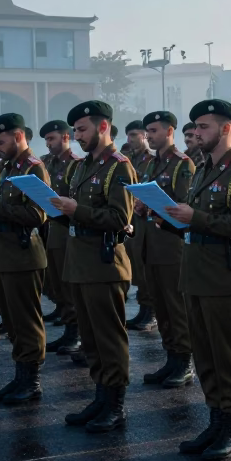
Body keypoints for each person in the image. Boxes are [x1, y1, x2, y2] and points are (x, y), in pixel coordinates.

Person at [169, 99, 231, 461]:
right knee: (205, 354)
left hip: (224, 274)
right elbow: (197, 218)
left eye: (204, 127)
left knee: (227, 355)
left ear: (225, 129)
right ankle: (215, 419)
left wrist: (195, 217)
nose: (196, 133)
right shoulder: (202, 168)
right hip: (196, 272)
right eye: (195, 128)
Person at [54, 100, 137, 433]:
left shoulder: (119, 166)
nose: (77, 136)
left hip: (104, 264)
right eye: (74, 130)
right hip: (81, 262)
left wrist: (77, 210)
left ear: (103, 127)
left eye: (82, 129)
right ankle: (100, 396)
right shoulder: (81, 166)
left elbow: (120, 218)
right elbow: (74, 210)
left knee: (108, 338)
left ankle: (115, 405)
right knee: (90, 338)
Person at [0, 113, 49, 403]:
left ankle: (31, 381)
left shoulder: (33, 168)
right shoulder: (8, 168)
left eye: (0, 141)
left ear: (18, 136)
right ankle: (20, 376)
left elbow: (37, 214)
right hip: (4, 253)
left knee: (26, 320)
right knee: (12, 320)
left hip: (23, 254)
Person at [138, 109, 195, 389]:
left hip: (172, 246)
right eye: (147, 131)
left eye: (154, 131)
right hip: (152, 244)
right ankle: (171, 357)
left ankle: (184, 362)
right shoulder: (151, 164)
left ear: (169, 131)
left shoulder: (182, 164)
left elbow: (184, 203)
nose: (149, 136)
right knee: (161, 306)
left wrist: (158, 208)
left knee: (176, 307)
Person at [39, 120, 83, 355]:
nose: (48, 144)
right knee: (56, 281)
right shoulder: (45, 162)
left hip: (68, 229)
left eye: (52, 139)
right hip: (51, 228)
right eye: (46, 140)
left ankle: (75, 333)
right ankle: (68, 329)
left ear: (66, 137)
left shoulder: (76, 164)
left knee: (68, 284)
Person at [123, 120, 156, 333]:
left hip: (148, 220)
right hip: (133, 219)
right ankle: (143, 309)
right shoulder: (128, 160)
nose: (130, 139)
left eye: (134, 134)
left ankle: (151, 312)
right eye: (128, 135)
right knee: (137, 264)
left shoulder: (151, 160)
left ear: (144, 135)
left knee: (147, 265)